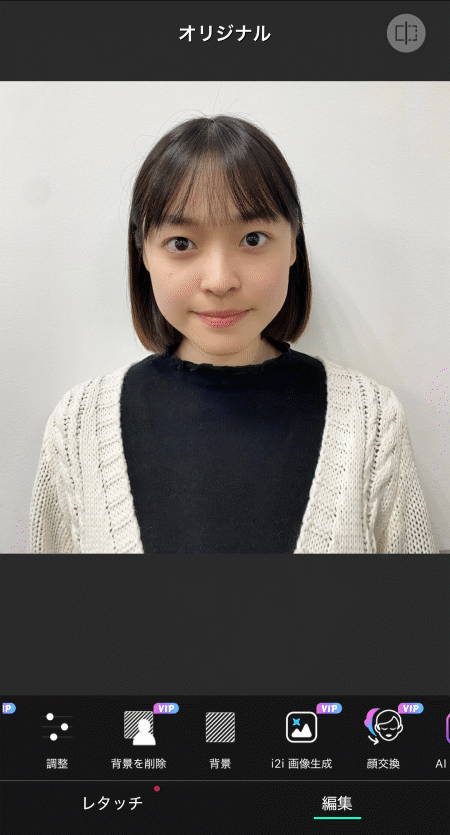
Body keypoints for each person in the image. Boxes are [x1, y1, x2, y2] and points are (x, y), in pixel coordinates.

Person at [28, 115, 438, 554]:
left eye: (253, 238)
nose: (220, 281)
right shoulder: (79, 428)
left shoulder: (370, 422)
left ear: (294, 243)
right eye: (182, 243)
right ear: (143, 252)